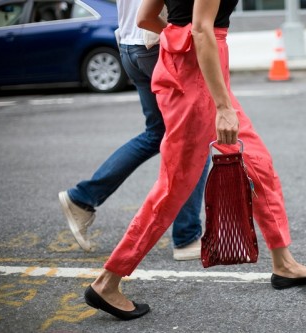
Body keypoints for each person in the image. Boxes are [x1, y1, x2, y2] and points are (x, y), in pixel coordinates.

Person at [83, 0, 306, 321]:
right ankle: (108, 282)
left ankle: (283, 263)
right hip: (196, 72)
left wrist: (180, 41)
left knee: (258, 164)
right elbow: (201, 28)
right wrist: (222, 104)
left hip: (197, 64)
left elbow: (147, 17)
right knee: (174, 186)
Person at [58, 0, 210, 260]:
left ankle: (83, 197)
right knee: (194, 140)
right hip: (154, 46)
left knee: (156, 134)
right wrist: (182, 39)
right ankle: (186, 236)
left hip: (130, 47)